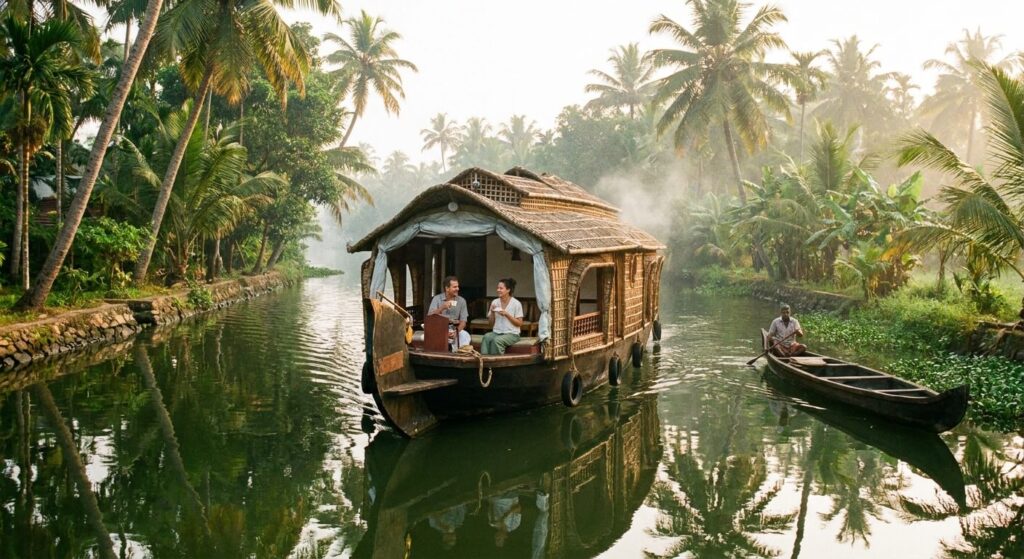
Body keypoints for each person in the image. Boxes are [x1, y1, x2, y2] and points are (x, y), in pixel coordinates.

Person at [481, 278, 524, 355]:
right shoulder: (495, 302)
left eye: (501, 288)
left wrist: (507, 314)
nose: (498, 290)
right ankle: (484, 360)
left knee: (497, 340)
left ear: (508, 290)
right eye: (497, 288)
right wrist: (492, 313)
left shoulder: (516, 303)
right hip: (497, 332)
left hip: (512, 334)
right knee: (486, 337)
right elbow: (490, 324)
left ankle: (496, 361)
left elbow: (519, 323)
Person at [427, 276, 470, 350]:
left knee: (464, 335)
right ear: (447, 288)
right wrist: (442, 308)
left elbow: (463, 322)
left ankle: (460, 354)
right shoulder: (437, 299)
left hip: (454, 329)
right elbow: (429, 317)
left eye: (458, 286)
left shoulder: (461, 301)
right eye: (455, 287)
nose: (458, 289)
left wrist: (456, 333)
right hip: (439, 328)